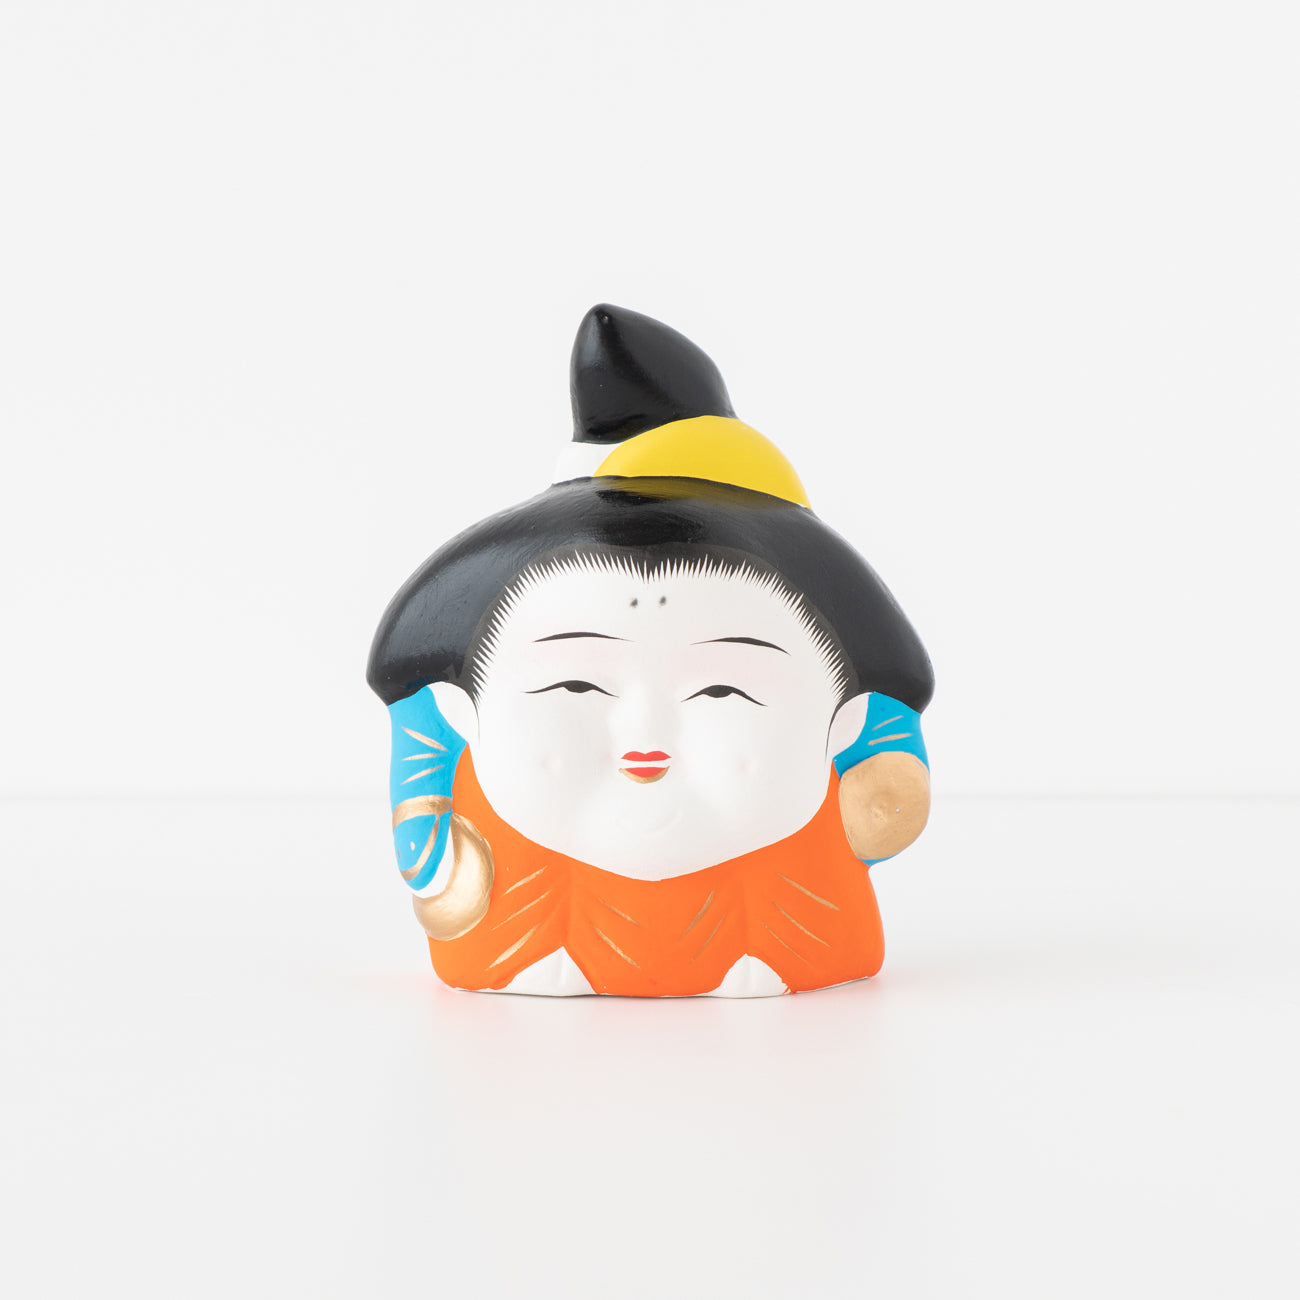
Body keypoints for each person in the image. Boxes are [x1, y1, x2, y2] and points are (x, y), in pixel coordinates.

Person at [367, 305, 934, 997]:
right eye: (577, 686)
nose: (646, 738)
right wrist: (425, 806)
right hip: (528, 907)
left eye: (721, 690)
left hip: (781, 907)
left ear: (843, 715)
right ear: (463, 710)